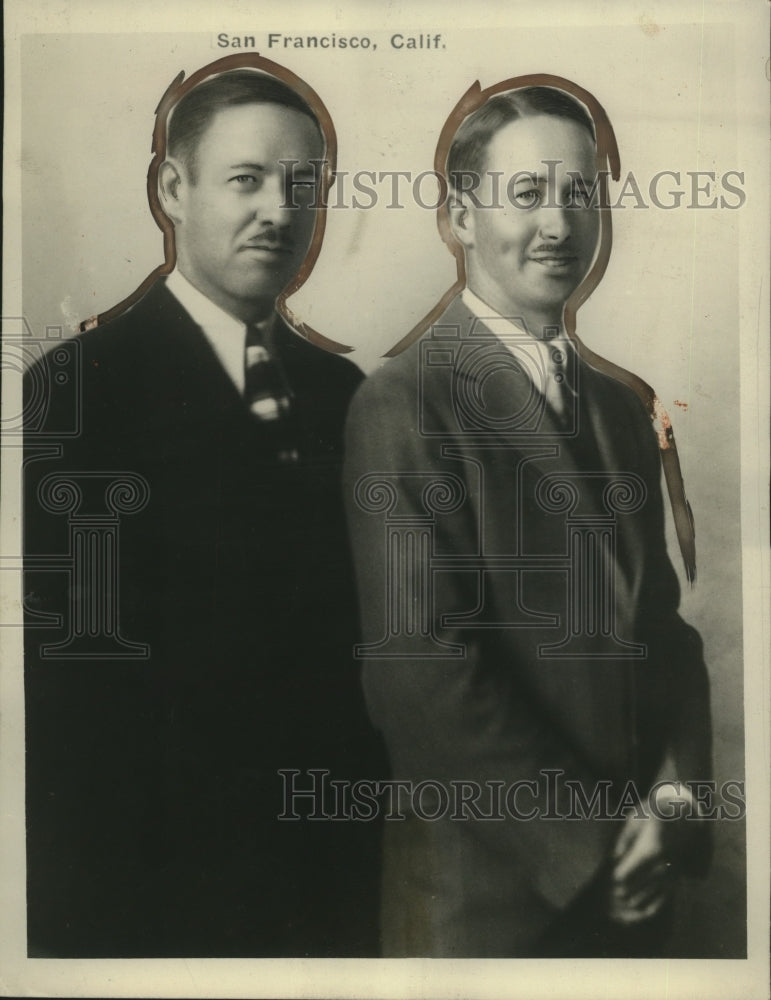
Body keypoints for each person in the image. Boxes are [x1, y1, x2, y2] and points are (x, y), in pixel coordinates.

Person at [24, 61, 384, 957]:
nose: (280, 209)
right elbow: (70, 693)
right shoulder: (78, 391)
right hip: (158, 887)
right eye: (246, 179)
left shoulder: (343, 392)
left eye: (304, 185)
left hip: (332, 873)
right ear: (172, 189)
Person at [343, 83, 712, 957]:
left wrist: (674, 798)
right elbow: (418, 675)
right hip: (490, 907)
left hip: (635, 882)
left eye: (578, 194)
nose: (558, 223)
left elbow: (658, 632)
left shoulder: (619, 412)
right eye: (526, 194)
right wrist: (596, 852)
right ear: (460, 217)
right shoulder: (404, 400)